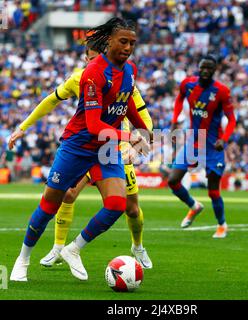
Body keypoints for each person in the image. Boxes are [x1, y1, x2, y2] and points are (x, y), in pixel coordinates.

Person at [10, 17, 152, 282]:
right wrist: (128, 135)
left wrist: (143, 129)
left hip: (106, 149)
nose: (128, 47)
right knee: (50, 205)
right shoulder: (92, 74)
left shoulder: (130, 70)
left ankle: (74, 249)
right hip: (78, 146)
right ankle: (24, 258)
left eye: (132, 42)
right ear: (108, 40)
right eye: (123, 41)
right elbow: (94, 125)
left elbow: (126, 103)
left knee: (117, 204)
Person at [168, 54, 236, 238]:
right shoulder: (187, 84)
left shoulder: (221, 91)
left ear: (215, 70)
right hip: (193, 142)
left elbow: (231, 120)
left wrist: (225, 139)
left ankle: (222, 225)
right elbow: (179, 99)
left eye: (209, 68)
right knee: (173, 180)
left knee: (213, 190)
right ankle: (194, 206)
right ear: (198, 68)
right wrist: (174, 121)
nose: (205, 71)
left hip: (213, 146)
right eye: (203, 67)